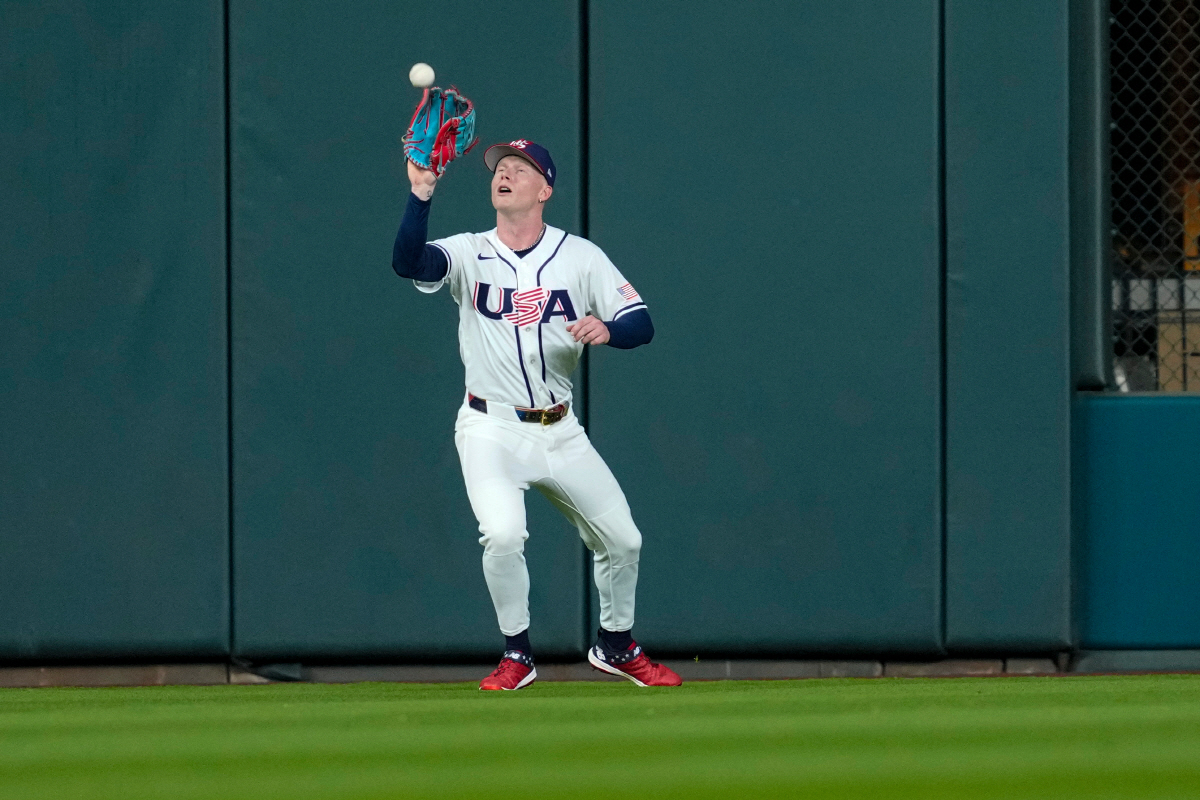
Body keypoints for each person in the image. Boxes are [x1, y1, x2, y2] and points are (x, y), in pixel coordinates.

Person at [392, 139, 682, 690]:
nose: (504, 174)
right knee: (502, 535)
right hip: (489, 426)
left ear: (545, 189)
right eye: (499, 168)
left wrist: (609, 329)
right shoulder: (470, 251)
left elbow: (640, 322)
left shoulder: (580, 257)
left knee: (624, 541)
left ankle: (616, 646)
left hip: (559, 429)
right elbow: (408, 262)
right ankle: (517, 655)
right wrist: (421, 192)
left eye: (519, 169)